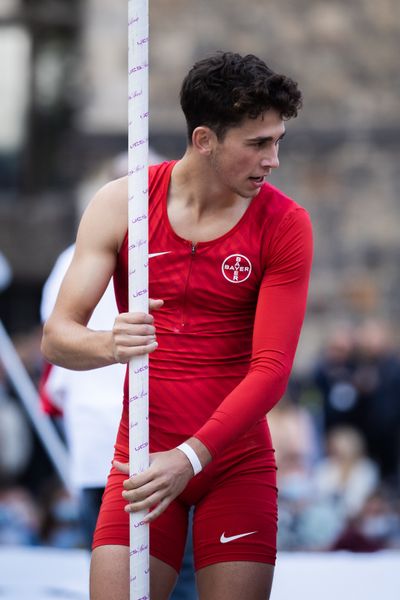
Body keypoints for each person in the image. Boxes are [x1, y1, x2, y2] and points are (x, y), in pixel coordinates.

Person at [42, 51, 313, 600]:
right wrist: (108, 343)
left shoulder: (285, 224)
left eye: (278, 140)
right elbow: (57, 339)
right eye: (258, 144)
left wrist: (190, 457)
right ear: (205, 140)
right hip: (141, 455)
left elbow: (272, 370)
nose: (273, 159)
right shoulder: (123, 204)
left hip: (231, 460)